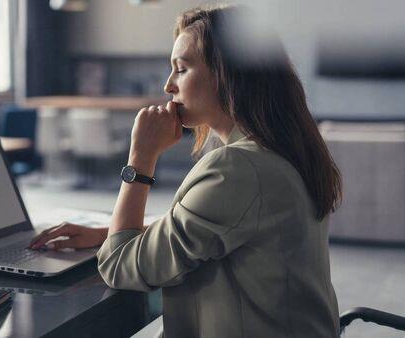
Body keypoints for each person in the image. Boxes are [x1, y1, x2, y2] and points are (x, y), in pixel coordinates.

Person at [30, 4, 342, 337]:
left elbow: (119, 266)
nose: (168, 86)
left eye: (181, 69)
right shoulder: (282, 149)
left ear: (229, 74)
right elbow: (211, 230)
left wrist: (141, 157)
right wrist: (107, 232)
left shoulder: (237, 168)